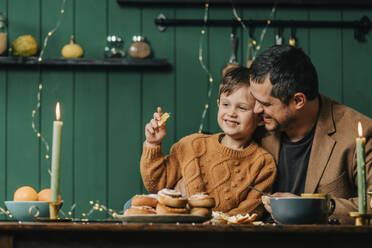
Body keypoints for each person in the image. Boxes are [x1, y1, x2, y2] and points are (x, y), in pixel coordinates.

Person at [249, 44, 372, 224]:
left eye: (266, 104)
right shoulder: (255, 126)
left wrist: (316, 206)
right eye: (255, 99)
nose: (256, 109)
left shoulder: (360, 132)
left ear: (298, 100)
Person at [140, 67, 276, 217]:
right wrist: (153, 144)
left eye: (242, 108)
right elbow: (155, 184)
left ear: (260, 118)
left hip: (222, 236)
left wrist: (212, 223)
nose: (231, 113)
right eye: (226, 104)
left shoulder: (264, 164)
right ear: (218, 104)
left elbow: (247, 212)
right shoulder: (191, 145)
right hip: (179, 228)